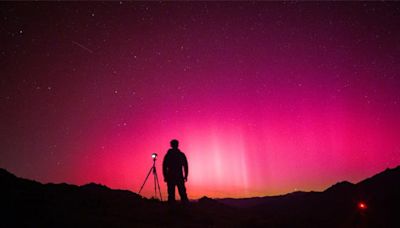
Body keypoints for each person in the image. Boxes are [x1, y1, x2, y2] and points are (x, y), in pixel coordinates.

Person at [162, 139, 189, 204]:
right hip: (177, 176)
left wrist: (165, 176)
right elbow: (185, 166)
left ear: (171, 145)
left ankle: (173, 208)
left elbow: (164, 166)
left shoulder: (169, 155)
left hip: (172, 176)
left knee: (172, 194)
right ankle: (184, 208)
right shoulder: (181, 154)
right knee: (181, 193)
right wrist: (186, 176)